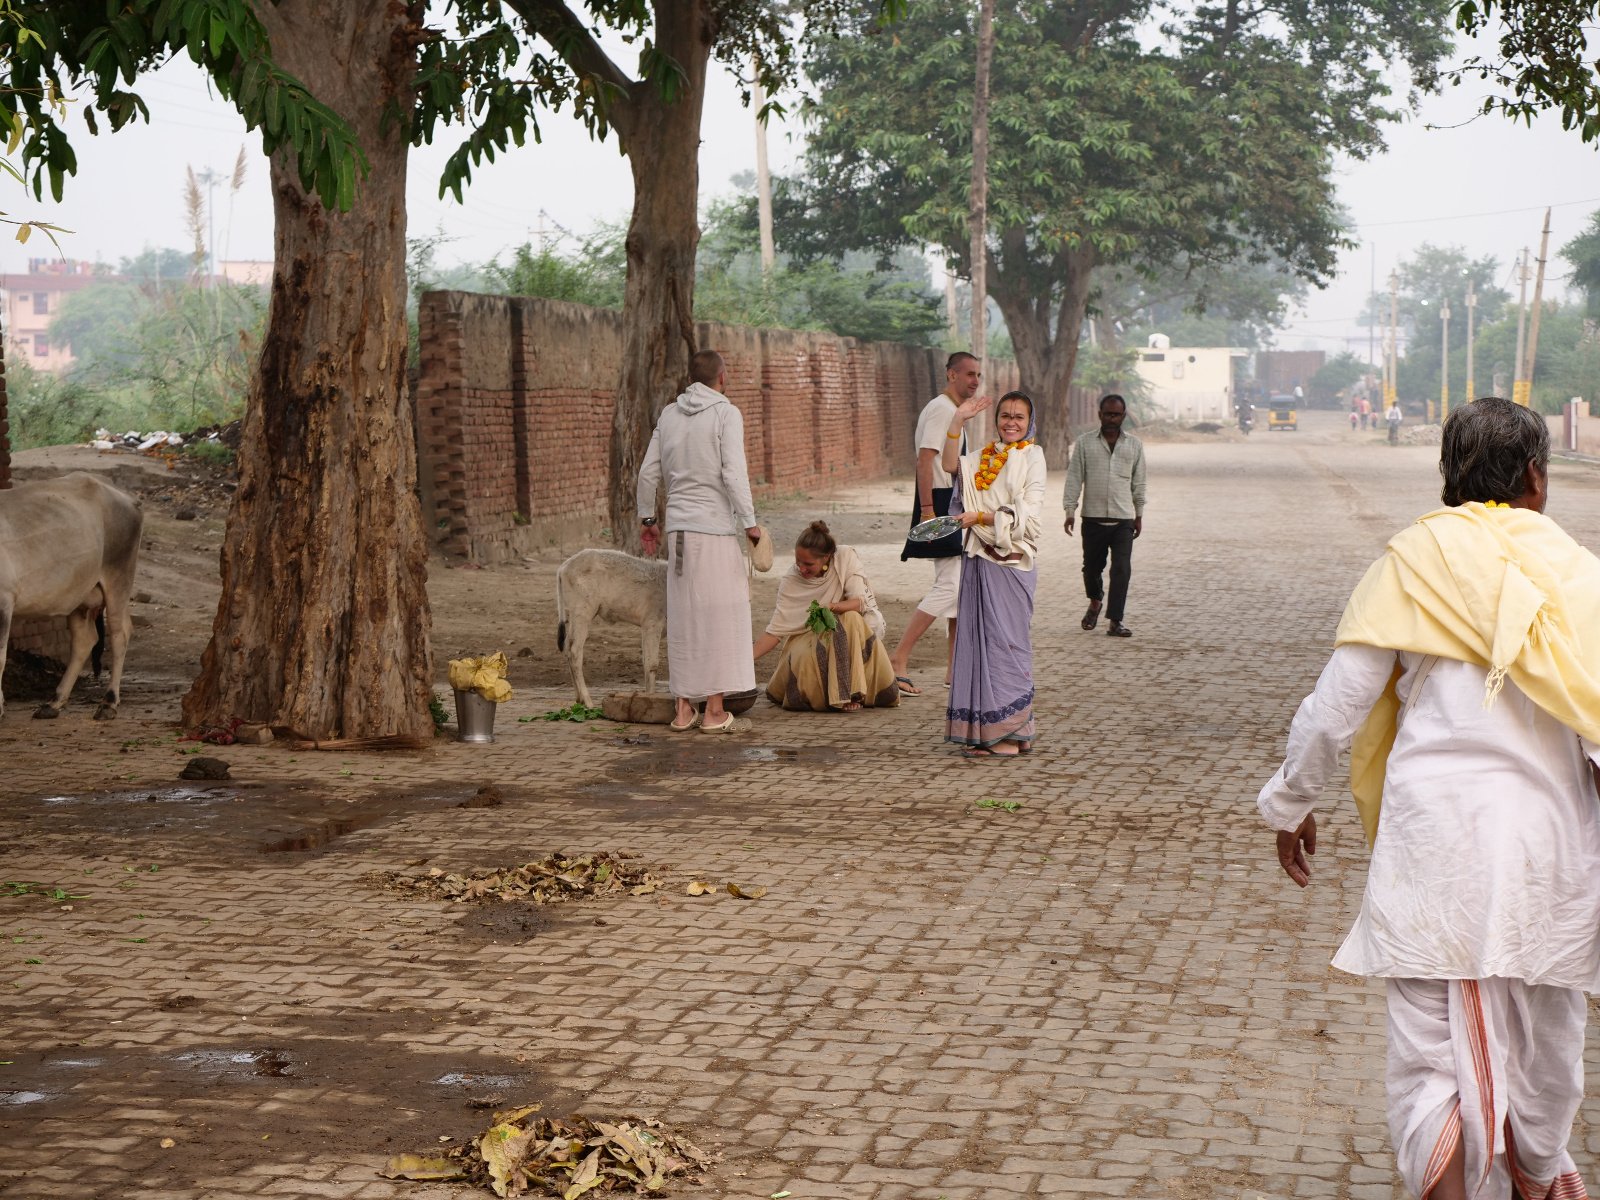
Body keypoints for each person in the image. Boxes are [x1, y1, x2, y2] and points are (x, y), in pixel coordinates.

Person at [1259, 397, 1600, 1200]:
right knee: (1551, 1050)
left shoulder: (1412, 565)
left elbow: (1332, 709)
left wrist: (1290, 803)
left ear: (1448, 477)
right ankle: (1540, 1177)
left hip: (1435, 853)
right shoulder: (1582, 580)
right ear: (1538, 480)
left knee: (1427, 1062)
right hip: (1551, 855)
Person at [637, 349, 761, 734]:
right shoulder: (726, 413)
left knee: (685, 617)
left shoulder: (669, 415)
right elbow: (733, 474)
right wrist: (751, 523)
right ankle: (714, 711)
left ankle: (682, 709)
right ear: (722, 377)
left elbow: (646, 474)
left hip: (678, 533)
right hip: (716, 532)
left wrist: (648, 520)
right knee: (720, 616)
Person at [940, 389, 1046, 758]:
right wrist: (958, 421)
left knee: (1009, 646)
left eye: (1019, 416)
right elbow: (949, 466)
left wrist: (981, 518)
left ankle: (1012, 730)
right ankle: (994, 731)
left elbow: (1029, 514)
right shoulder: (982, 457)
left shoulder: (1033, 457)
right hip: (978, 561)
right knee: (979, 644)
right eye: (1005, 415)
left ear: (1029, 422)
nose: (1011, 422)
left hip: (1012, 563)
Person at [889, 352, 982, 697]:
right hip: (940, 500)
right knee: (950, 586)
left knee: (959, 588)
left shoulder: (954, 411)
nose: (974, 381)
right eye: (969, 374)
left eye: (978, 375)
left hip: (953, 500)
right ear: (951, 374)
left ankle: (955, 668)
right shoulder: (942, 409)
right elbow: (925, 459)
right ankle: (898, 659)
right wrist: (928, 509)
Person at [753, 521, 898, 712]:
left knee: (851, 618)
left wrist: (830, 607)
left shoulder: (844, 557)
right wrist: (743, 663)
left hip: (850, 633)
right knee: (834, 632)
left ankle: (852, 692)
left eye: (808, 564)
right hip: (807, 640)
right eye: (798, 561)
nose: (801, 569)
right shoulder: (791, 580)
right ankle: (842, 694)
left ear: (826, 558)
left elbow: (859, 602)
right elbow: (775, 632)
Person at [1063, 394, 1147, 638]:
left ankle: (1115, 620)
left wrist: (1139, 514)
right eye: (1107, 414)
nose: (1112, 418)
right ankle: (1095, 601)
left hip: (1123, 520)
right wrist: (1070, 511)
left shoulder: (1134, 445)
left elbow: (1139, 483)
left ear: (1124, 416)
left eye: (1117, 414)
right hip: (1092, 520)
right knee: (1091, 569)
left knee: (1122, 569)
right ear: (1099, 414)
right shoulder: (1085, 443)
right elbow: (1074, 479)